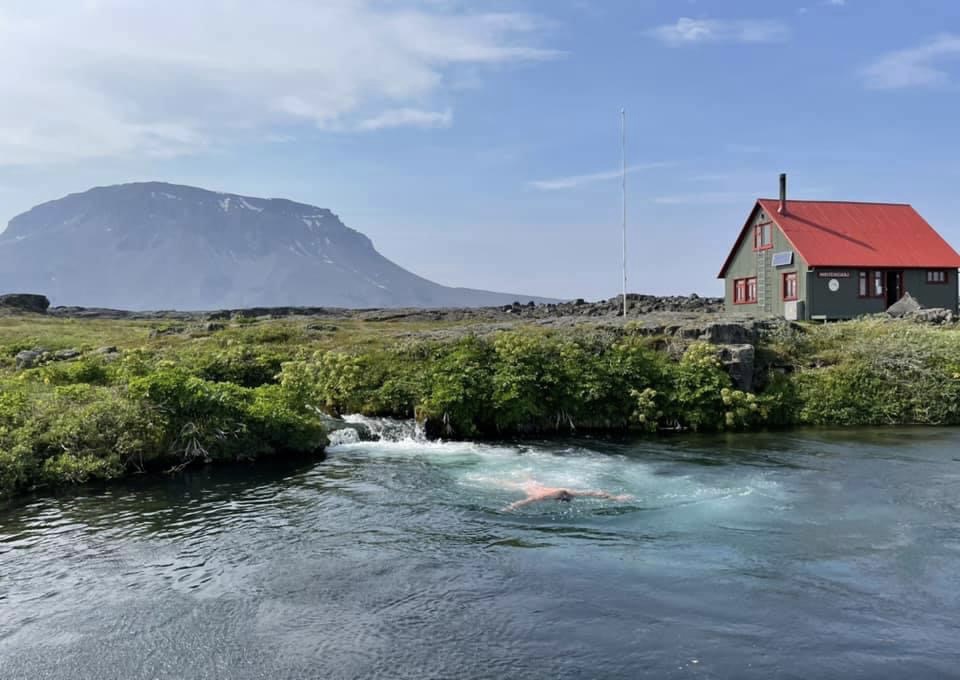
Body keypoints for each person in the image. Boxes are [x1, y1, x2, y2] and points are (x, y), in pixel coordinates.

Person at [502, 481, 632, 511]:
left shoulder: (569, 492)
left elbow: (594, 493)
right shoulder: (546, 495)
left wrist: (616, 498)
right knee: (525, 484)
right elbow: (529, 500)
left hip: (541, 488)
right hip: (531, 489)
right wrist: (511, 507)